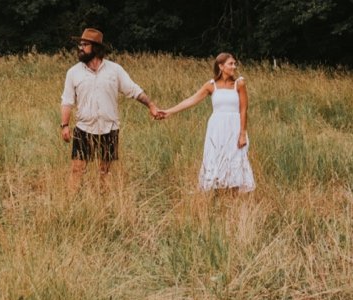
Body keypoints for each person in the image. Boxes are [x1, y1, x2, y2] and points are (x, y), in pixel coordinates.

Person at [60, 27, 164, 188]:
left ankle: (104, 205)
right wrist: (65, 125)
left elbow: (133, 90)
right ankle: (69, 205)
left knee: (105, 171)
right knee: (77, 170)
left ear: (95, 48)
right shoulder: (73, 73)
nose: (80, 48)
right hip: (84, 128)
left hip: (109, 129)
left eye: (84, 44)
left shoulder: (114, 70)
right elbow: (67, 101)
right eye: (79, 44)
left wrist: (151, 105)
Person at [161, 52, 255, 193]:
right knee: (216, 158)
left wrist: (242, 133)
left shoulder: (239, 84)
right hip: (217, 128)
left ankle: (233, 196)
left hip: (234, 127)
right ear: (221, 66)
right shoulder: (211, 85)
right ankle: (217, 193)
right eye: (231, 64)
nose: (234, 66)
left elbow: (243, 109)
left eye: (235, 63)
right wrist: (169, 111)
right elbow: (191, 100)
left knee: (235, 159)